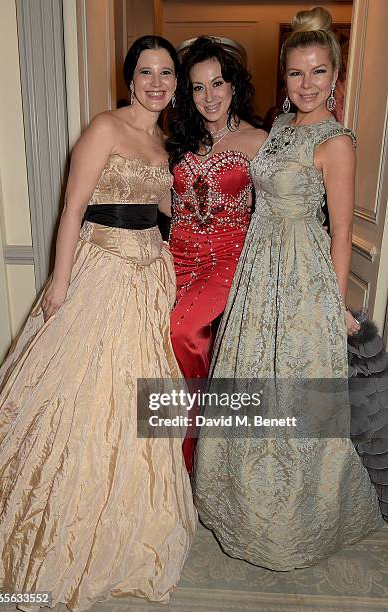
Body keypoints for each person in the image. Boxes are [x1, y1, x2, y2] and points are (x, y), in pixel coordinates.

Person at [0, 36, 197, 610]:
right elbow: (72, 206)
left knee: (138, 396)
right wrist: (59, 282)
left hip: (149, 275)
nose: (157, 83)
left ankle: (135, 515)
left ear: (175, 84)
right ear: (130, 79)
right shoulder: (104, 127)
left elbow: (165, 212)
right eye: (146, 72)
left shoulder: (164, 141)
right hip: (99, 270)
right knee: (76, 395)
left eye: (166, 74)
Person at [193, 7, 384, 570]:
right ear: (285, 77)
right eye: (297, 73)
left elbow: (343, 231)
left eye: (319, 72)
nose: (307, 84)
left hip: (301, 273)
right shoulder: (277, 126)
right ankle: (239, 498)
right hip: (258, 264)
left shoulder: (337, 142)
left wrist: (333, 301)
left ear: (336, 78)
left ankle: (299, 514)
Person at [163, 37, 267, 472]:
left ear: (233, 85)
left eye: (218, 83)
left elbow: (276, 206)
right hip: (178, 256)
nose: (210, 96)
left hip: (228, 258)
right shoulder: (178, 141)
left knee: (183, 332)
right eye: (197, 87)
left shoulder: (257, 140)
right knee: (153, 337)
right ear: (187, 93)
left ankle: (200, 440)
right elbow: (164, 202)